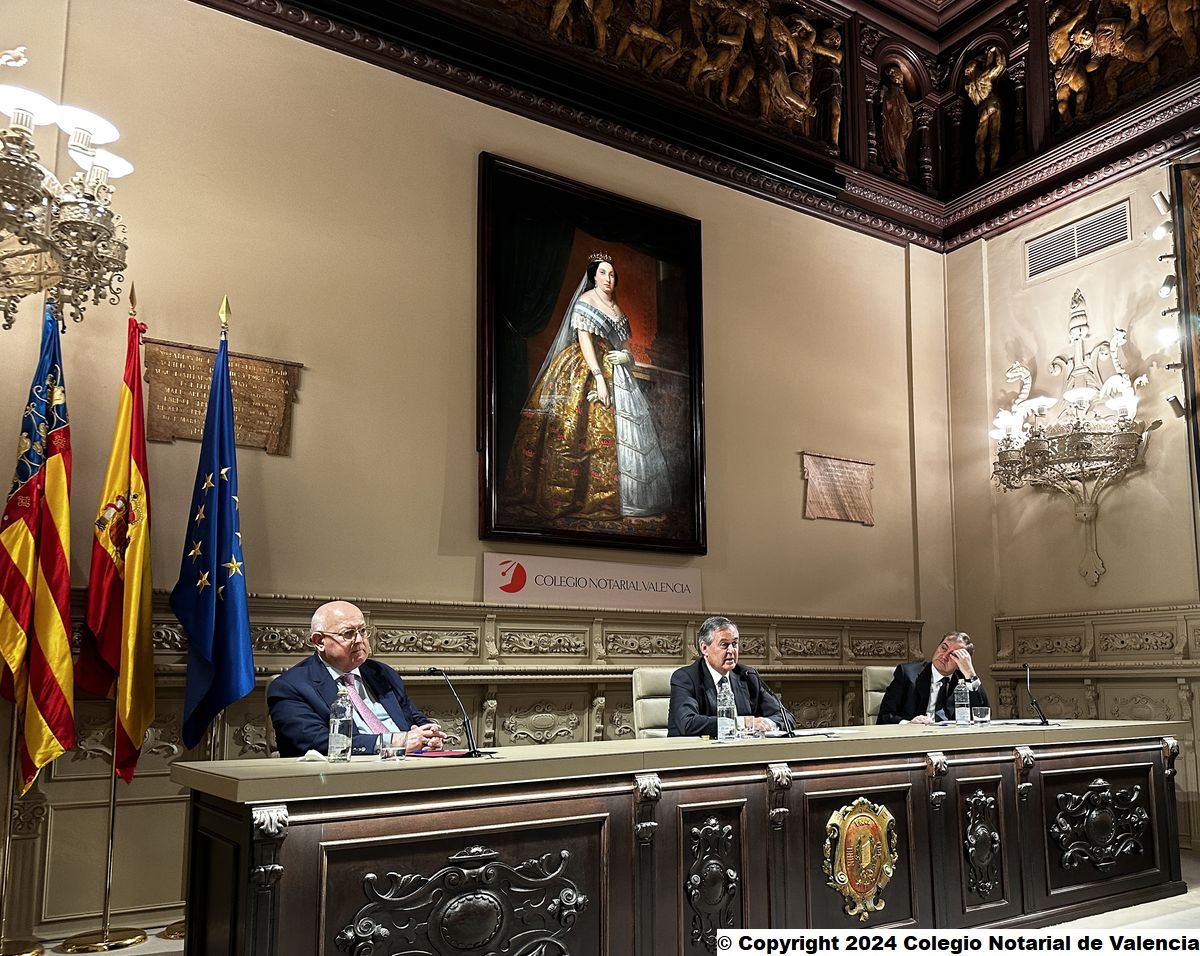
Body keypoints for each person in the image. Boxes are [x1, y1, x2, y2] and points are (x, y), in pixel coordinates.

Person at [504, 252, 671, 521]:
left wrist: (626, 357)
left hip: (616, 370)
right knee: (577, 427)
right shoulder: (585, 301)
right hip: (586, 366)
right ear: (593, 276)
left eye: (612, 274)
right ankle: (576, 495)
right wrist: (600, 379)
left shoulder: (617, 309)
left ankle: (627, 499)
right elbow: (585, 341)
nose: (609, 278)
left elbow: (624, 347)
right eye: (603, 273)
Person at [268, 600, 446, 757]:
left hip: (408, 765)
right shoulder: (290, 687)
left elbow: (414, 718)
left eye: (362, 631)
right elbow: (316, 742)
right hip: (345, 775)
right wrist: (392, 742)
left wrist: (429, 735)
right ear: (319, 641)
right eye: (348, 633)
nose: (360, 640)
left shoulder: (382, 673)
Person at [668, 616, 792, 736]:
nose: (731, 650)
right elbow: (688, 723)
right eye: (724, 645)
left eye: (735, 644)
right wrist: (743, 724)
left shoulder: (747, 676)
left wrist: (767, 723)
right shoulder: (686, 678)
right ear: (704, 648)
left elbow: (786, 717)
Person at [876, 631, 988, 725]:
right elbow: (885, 716)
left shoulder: (963, 681)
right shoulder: (908, 674)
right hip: (915, 738)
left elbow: (982, 716)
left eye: (954, 655)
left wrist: (970, 673)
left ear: (961, 663)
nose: (944, 656)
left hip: (950, 740)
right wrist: (909, 724)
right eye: (943, 648)